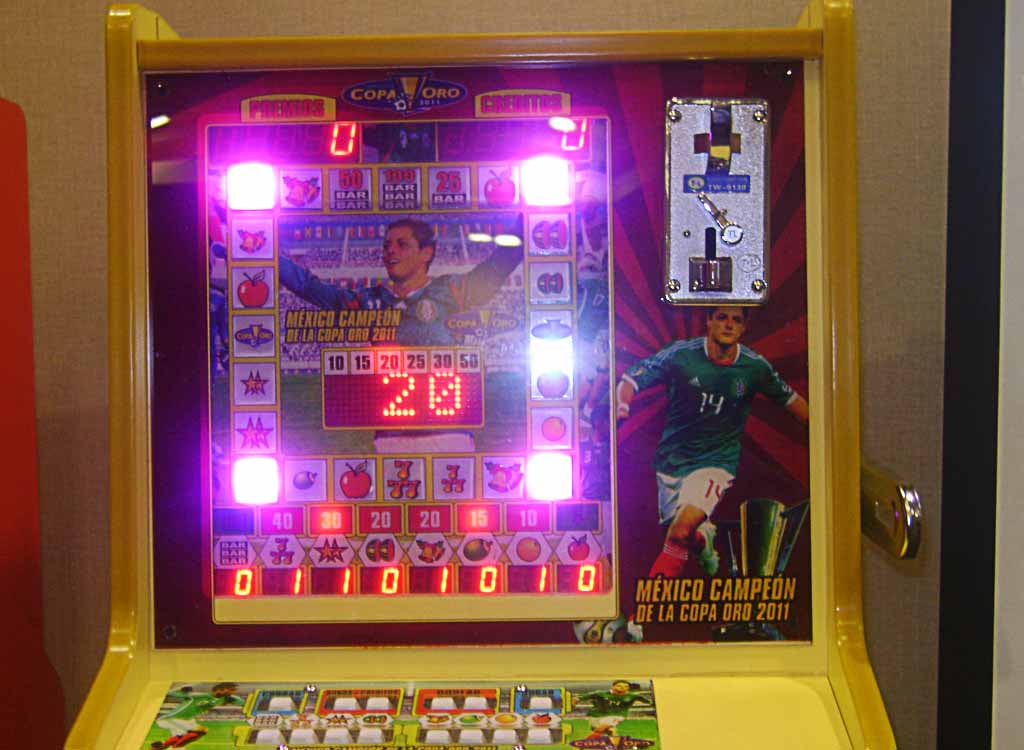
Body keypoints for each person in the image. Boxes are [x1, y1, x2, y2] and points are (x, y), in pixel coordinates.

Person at [616, 306, 808, 579]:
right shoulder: (681, 355)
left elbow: (793, 402)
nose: (729, 325)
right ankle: (704, 540)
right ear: (708, 321)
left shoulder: (754, 367)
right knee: (684, 536)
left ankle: (651, 601)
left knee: (678, 534)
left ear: (743, 328)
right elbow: (630, 379)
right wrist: (622, 405)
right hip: (671, 462)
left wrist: (825, 434)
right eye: (722, 318)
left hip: (715, 463)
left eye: (736, 320)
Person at [278, 218, 521, 346]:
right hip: (389, 417)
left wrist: (528, 224)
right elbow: (308, 286)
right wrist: (268, 253)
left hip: (446, 414)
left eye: (401, 245)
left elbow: (497, 267)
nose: (390, 251)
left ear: (426, 253)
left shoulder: (452, 289)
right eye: (387, 246)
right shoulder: (368, 301)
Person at [150, 683, 244, 748]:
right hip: (172, 718)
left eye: (233, 690)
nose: (232, 692)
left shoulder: (224, 699)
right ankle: (172, 746)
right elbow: (170, 692)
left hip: (186, 720)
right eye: (231, 690)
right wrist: (181, 689)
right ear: (220, 689)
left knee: (181, 737)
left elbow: (242, 702)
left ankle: (162, 746)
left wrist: (235, 699)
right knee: (201, 730)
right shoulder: (197, 696)